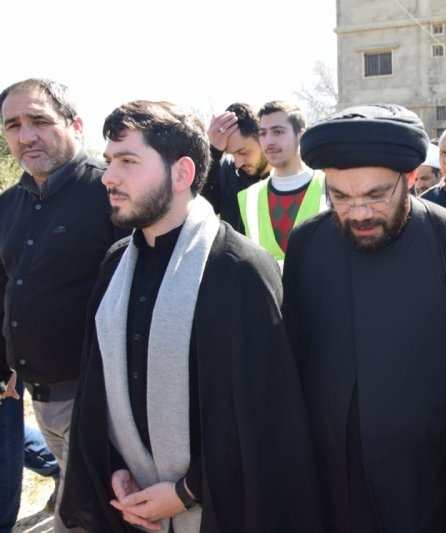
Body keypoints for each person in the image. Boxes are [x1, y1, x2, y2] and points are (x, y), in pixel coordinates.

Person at [60, 100, 322, 532]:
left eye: (128, 161)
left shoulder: (238, 269)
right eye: (109, 162)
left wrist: (186, 492)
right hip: (132, 506)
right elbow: (97, 393)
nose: (108, 176)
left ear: (181, 173)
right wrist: (115, 469)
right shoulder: (115, 266)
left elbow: (265, 418)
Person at [284, 103, 446, 532]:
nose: (359, 212)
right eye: (341, 197)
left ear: (411, 178)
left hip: (433, 496)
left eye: (376, 195)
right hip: (331, 495)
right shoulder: (307, 244)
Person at [0, 78, 125, 533]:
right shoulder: (8, 205)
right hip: (37, 398)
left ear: (75, 124)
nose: (25, 136)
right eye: (12, 125)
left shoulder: (111, 192)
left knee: (87, 517)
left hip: (98, 401)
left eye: (39, 121)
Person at [237, 100, 326, 264]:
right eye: (263, 133)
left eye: (277, 132)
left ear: (301, 135)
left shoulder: (331, 188)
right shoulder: (248, 198)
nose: (269, 141)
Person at [202, 102, 271, 232]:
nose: (238, 163)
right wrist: (213, 152)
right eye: (232, 154)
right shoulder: (227, 173)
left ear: (261, 137)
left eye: (242, 152)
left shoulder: (286, 176)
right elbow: (200, 208)